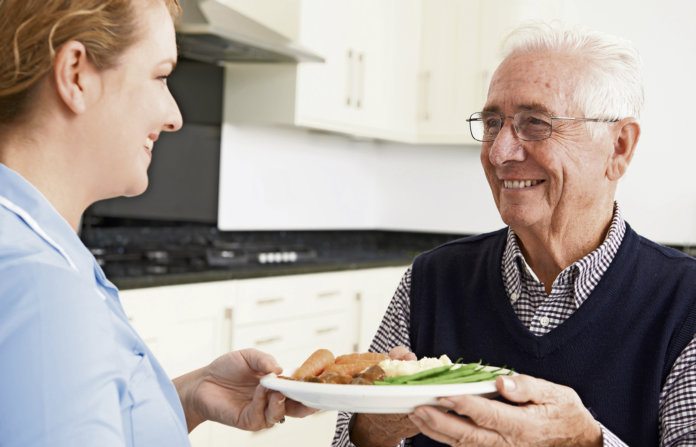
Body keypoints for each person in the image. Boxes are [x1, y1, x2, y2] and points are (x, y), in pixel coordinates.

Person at [332, 23, 696, 447]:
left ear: (618, 147)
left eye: (536, 123)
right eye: (492, 122)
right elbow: (347, 436)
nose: (499, 152)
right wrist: (380, 425)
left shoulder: (685, 303)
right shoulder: (431, 279)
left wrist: (585, 443)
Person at [0, 1, 313, 446]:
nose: (174, 116)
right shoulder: (41, 285)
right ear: (76, 75)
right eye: (161, 76)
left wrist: (187, 397)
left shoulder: (31, 253)